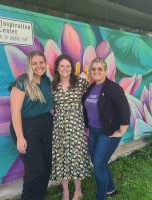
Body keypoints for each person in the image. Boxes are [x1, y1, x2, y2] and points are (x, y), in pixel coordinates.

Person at [82, 57, 131, 200]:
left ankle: (101, 196)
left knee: (98, 166)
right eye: (93, 69)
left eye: (100, 69)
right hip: (93, 132)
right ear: (91, 71)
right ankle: (110, 188)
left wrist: (122, 129)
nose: (96, 71)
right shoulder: (91, 87)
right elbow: (86, 108)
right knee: (98, 162)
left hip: (107, 133)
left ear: (105, 70)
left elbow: (124, 109)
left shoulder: (113, 88)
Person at [9, 51, 53, 200]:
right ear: (29, 65)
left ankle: (40, 196)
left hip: (46, 124)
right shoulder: (21, 82)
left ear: (46, 63)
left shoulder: (46, 80)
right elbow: (15, 112)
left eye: (41, 62)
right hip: (26, 126)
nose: (38, 66)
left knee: (47, 166)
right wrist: (20, 138)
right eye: (34, 63)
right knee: (35, 169)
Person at [50, 54, 90, 200]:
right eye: (62, 66)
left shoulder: (80, 82)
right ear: (57, 68)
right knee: (61, 157)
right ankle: (66, 190)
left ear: (71, 68)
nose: (65, 69)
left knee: (76, 156)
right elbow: (48, 103)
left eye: (68, 66)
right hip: (59, 127)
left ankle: (78, 190)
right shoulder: (52, 84)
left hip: (76, 125)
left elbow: (94, 93)